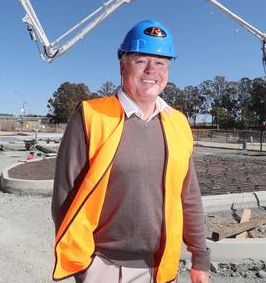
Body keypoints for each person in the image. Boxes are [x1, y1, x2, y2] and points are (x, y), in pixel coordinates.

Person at [51, 19, 210, 283]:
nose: (151, 70)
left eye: (160, 62)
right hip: (103, 265)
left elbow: (189, 196)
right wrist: (84, 268)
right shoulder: (91, 116)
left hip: (161, 267)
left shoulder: (178, 123)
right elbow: (64, 196)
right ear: (123, 64)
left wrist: (200, 258)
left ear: (168, 69)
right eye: (141, 60)